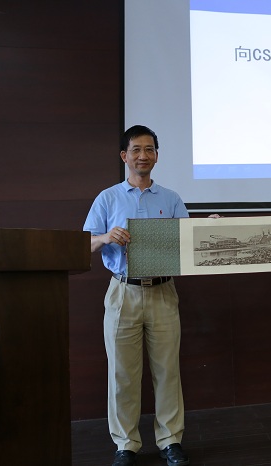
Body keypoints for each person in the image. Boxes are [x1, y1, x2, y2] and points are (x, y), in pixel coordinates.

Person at [83, 125, 191, 466]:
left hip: (162, 291)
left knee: (167, 370)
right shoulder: (107, 198)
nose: (143, 156)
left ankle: (170, 441)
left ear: (156, 156)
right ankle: (125, 444)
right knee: (122, 373)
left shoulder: (171, 198)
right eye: (136, 150)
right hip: (122, 291)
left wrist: (208, 226)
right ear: (124, 156)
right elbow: (83, 244)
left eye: (149, 150)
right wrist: (105, 237)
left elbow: (187, 240)